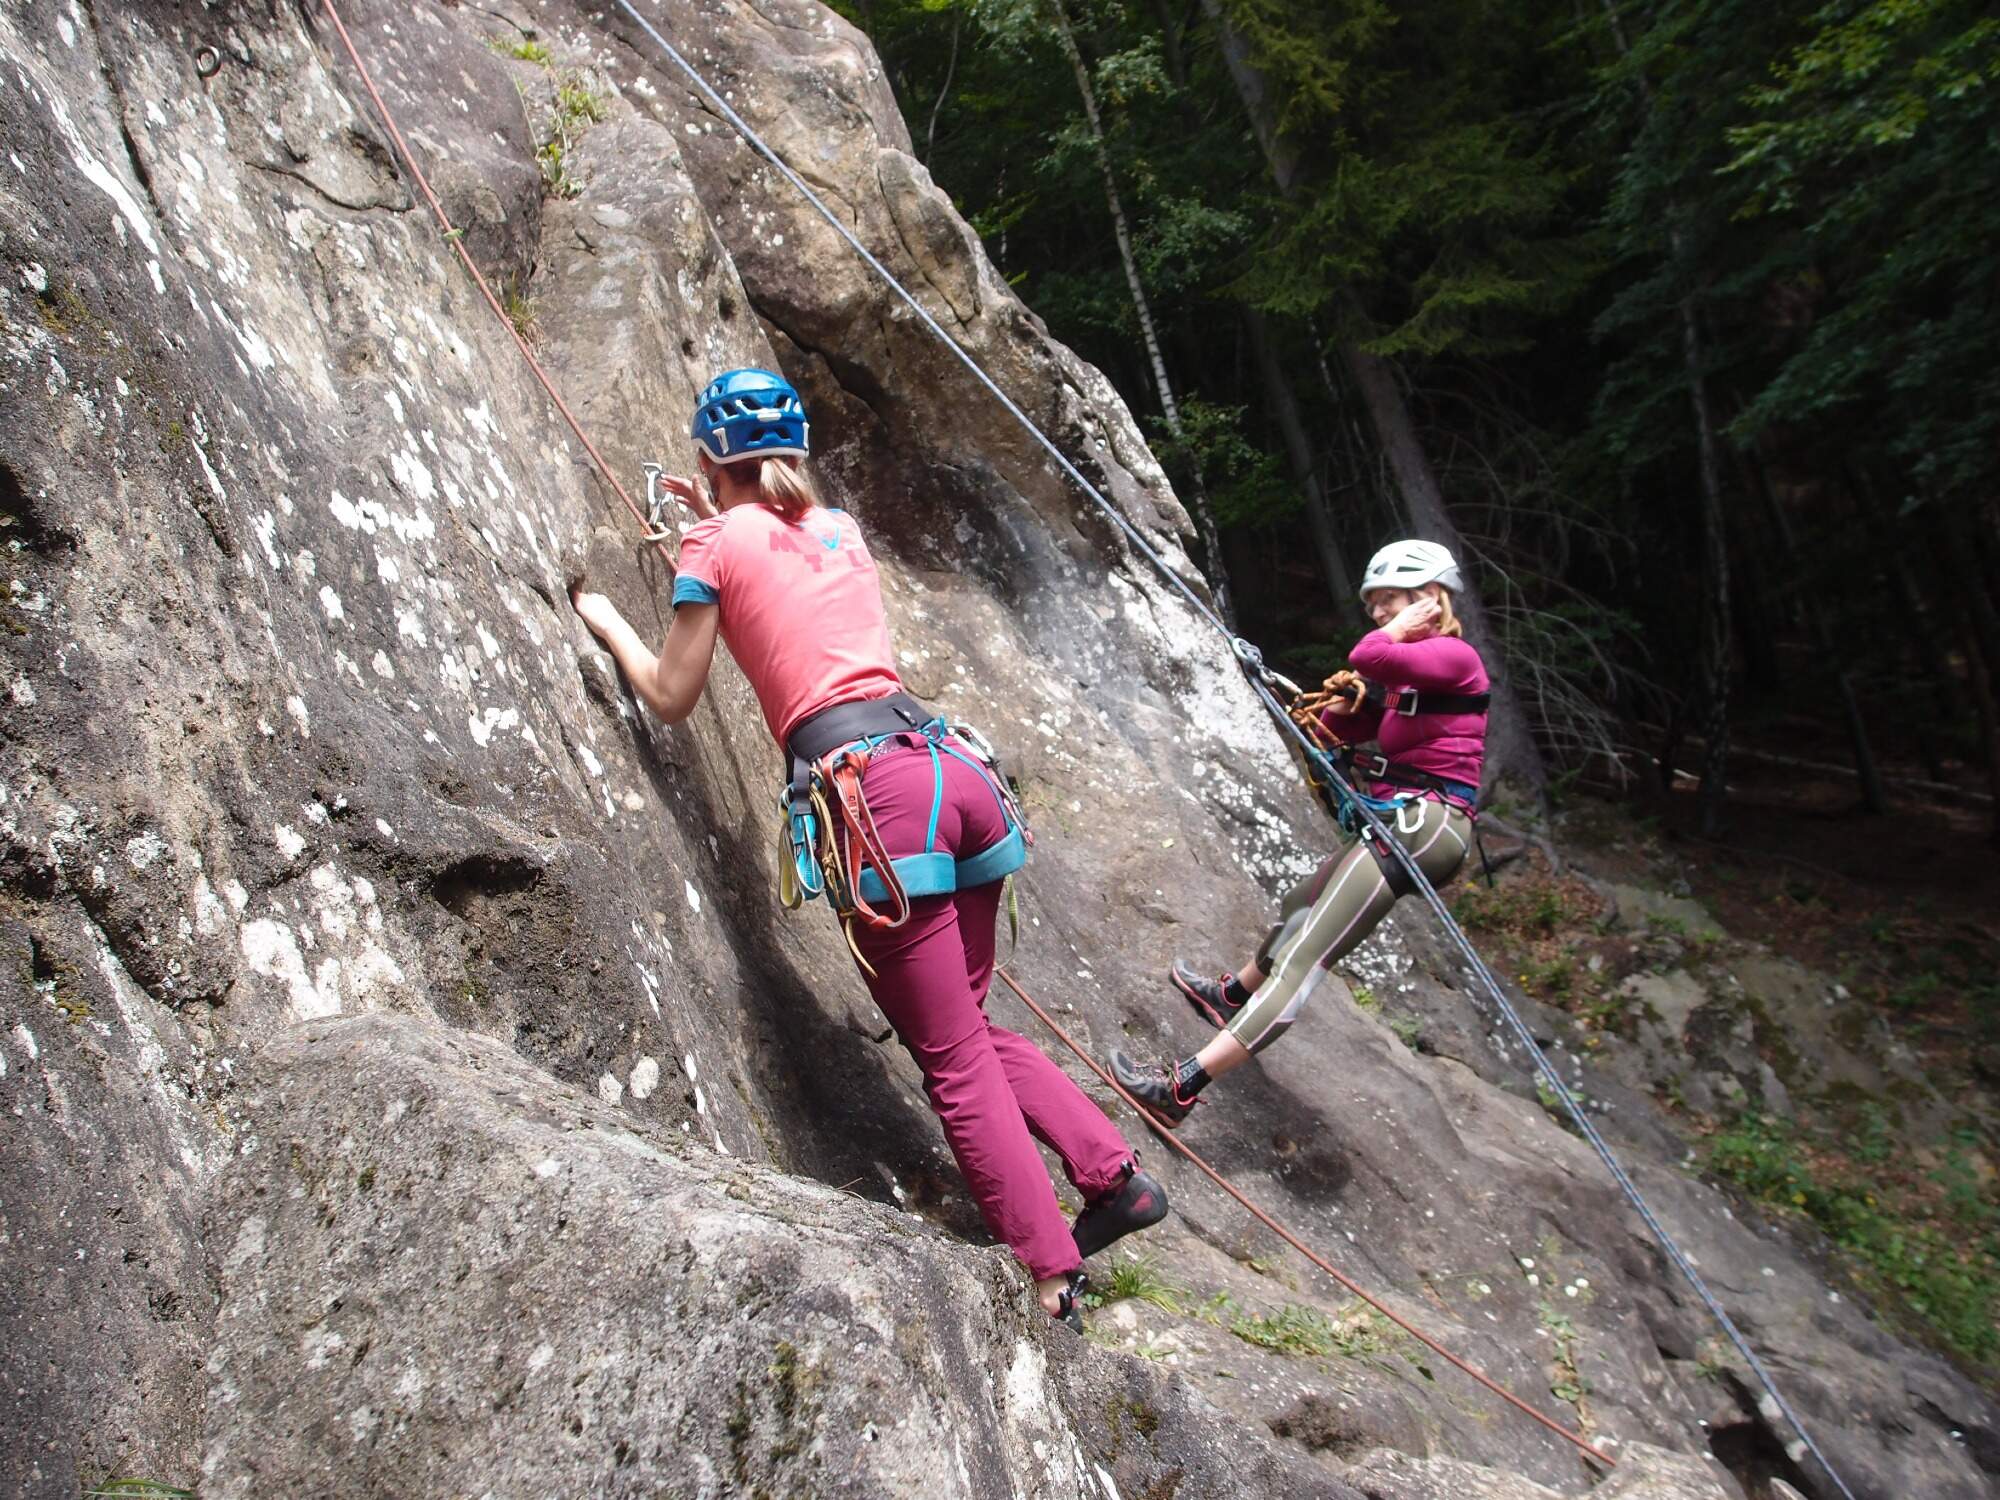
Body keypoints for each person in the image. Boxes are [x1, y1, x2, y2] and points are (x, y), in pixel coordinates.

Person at [571, 369, 1166, 1328]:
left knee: (952, 1060)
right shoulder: (838, 530)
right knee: (966, 1025)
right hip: (949, 772)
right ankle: (1116, 1182)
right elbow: (779, 544)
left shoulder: (714, 539)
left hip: (875, 801)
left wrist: (606, 620)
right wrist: (719, 511)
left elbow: (674, 694)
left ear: (703, 460)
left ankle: (1054, 1277)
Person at [1110, 539, 1489, 1126]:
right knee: (1299, 905)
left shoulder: (1453, 657)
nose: (1382, 615)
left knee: (1302, 960)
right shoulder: (1413, 676)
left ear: (1430, 598)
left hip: (1425, 825)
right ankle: (1231, 994)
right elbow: (1338, 726)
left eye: (1392, 602)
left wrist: (1390, 638)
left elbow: (1369, 655)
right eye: (1377, 606)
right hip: (1411, 822)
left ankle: (1182, 1086)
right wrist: (1344, 706)